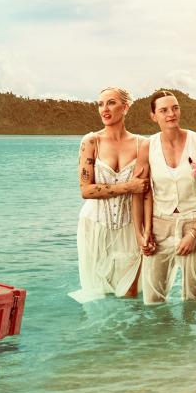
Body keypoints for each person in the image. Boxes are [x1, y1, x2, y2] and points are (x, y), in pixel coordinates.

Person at [136, 90, 196, 304]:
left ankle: (191, 338)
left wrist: (194, 233)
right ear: (153, 116)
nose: (171, 114)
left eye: (175, 108)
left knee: (193, 299)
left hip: (194, 222)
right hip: (159, 225)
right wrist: (142, 233)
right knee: (153, 299)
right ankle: (158, 338)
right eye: (163, 110)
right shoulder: (147, 147)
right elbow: (141, 192)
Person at [69, 87, 150, 303]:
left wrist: (147, 231)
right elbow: (86, 190)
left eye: (111, 103)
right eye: (100, 104)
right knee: (99, 297)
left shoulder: (142, 144)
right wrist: (127, 187)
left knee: (131, 296)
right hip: (95, 226)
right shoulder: (91, 141)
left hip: (130, 227)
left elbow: (146, 191)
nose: (104, 109)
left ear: (125, 107)